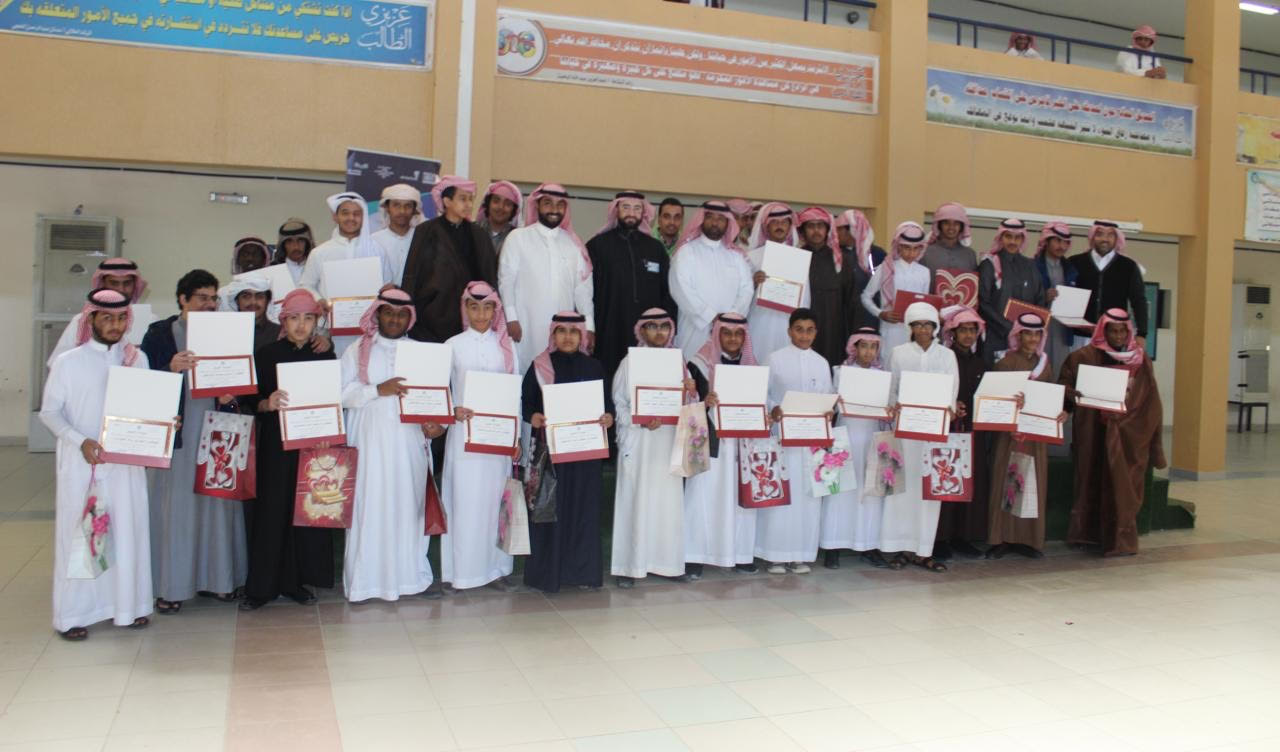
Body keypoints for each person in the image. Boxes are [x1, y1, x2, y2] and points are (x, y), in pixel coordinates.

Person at [40, 289, 154, 640]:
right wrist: (80, 441)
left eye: (121, 318)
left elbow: (148, 409)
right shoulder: (68, 362)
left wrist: (164, 425)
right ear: (91, 319)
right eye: (107, 318)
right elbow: (49, 413)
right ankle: (74, 615)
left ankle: (128, 608)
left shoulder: (137, 359)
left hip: (127, 467)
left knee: (128, 532)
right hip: (81, 465)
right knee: (81, 538)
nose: (115, 325)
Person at [141, 269, 248, 614]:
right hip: (178, 435)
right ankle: (170, 587)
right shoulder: (160, 334)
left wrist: (233, 395)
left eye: (213, 298)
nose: (209, 304)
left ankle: (219, 582)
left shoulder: (228, 332)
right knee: (176, 512)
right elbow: (141, 382)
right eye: (201, 297)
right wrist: (169, 367)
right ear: (182, 299)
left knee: (218, 508)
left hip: (219, 434)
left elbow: (242, 383)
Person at [339, 289, 444, 601]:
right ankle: (365, 584)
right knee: (367, 507)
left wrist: (435, 424)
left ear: (409, 318)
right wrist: (376, 390)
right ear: (377, 314)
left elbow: (434, 399)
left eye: (401, 314)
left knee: (407, 507)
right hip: (367, 443)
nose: (394, 319)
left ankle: (410, 579)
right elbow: (341, 393)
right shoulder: (356, 350)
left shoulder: (423, 353)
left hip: (410, 444)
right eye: (388, 313)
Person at [241, 289, 336, 610]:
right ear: (284, 320)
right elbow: (247, 397)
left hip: (311, 449)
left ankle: (295, 583)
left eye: (308, 318)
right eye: (294, 318)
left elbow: (331, 400)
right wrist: (265, 403)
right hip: (275, 448)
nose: (300, 325)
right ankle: (261, 587)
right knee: (271, 514)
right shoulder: (267, 354)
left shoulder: (324, 354)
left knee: (303, 515)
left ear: (316, 321)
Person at [1059, 309, 1165, 556]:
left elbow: (1151, 403)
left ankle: (1119, 540)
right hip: (1092, 432)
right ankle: (1085, 535)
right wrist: (1069, 395)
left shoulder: (1141, 360)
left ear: (1129, 332)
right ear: (1103, 331)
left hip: (1126, 437)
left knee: (1122, 486)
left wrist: (1127, 422)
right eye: (1112, 331)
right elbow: (1064, 384)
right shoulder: (1083, 357)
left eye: (1122, 331)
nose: (1117, 336)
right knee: (1089, 480)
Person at [522, 312, 614, 593]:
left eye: (574, 332)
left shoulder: (595, 366)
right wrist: (533, 416)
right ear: (553, 335)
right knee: (550, 511)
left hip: (585, 455)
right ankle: (546, 576)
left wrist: (607, 419)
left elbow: (606, 406)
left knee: (582, 511)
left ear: (582, 335)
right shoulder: (540, 366)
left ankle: (582, 573)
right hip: (551, 455)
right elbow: (526, 402)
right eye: (561, 331)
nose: (568, 337)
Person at [441, 281, 521, 591]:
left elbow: (515, 395)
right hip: (464, 439)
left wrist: (516, 438)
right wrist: (453, 410)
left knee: (493, 504)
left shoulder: (507, 346)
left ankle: (495, 570)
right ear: (466, 309)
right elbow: (440, 391)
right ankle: (462, 573)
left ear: (495, 310)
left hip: (498, 441)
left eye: (487, 307)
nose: (481, 314)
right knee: (464, 503)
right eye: (474, 307)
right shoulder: (452, 345)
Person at [611, 308, 690, 588]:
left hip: (668, 441)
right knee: (636, 500)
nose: (659, 332)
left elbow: (689, 407)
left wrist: (690, 391)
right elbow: (619, 402)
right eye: (652, 326)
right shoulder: (629, 362)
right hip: (640, 440)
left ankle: (668, 564)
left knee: (667, 504)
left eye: (664, 327)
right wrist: (639, 422)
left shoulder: (679, 363)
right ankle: (629, 567)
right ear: (642, 330)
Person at [882, 302, 958, 573]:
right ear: (910, 328)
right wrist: (895, 408)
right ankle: (899, 548)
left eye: (928, 325)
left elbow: (951, 394)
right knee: (902, 490)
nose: (923, 330)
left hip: (933, 435)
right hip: (905, 434)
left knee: (928, 493)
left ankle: (923, 551)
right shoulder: (898, 353)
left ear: (935, 328)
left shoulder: (947, 356)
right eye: (918, 325)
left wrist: (943, 415)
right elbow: (891, 390)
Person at [756, 308, 833, 575]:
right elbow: (762, 394)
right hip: (782, 438)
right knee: (783, 495)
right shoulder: (774, 359)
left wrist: (828, 411)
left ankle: (801, 554)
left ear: (816, 333)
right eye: (799, 329)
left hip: (811, 442)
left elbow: (827, 396)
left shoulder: (821, 363)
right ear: (789, 331)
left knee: (808, 498)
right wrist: (774, 408)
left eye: (810, 330)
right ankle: (775, 555)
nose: (804, 335)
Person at [684, 313, 760, 576]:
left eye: (738, 334)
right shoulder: (698, 364)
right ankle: (694, 557)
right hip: (711, 444)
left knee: (741, 500)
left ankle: (740, 555)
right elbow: (685, 405)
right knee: (702, 499)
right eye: (727, 333)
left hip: (742, 444)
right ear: (717, 334)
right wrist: (704, 403)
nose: (732, 339)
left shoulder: (752, 366)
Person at [987, 313, 1061, 559]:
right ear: (1018, 336)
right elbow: (995, 400)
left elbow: (1049, 396)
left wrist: (1058, 413)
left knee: (1032, 484)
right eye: (1027, 333)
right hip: (1010, 436)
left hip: (1035, 436)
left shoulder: (1045, 365)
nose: (1032, 338)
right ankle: (1001, 539)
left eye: (1036, 334)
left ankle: (1029, 540)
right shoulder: (1006, 363)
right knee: (1005, 482)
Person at [499, 183, 596, 368]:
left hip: (563, 333)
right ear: (537, 205)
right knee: (525, 374)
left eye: (560, 204)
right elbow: (506, 280)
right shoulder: (518, 238)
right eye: (548, 203)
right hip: (526, 327)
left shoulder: (574, 245)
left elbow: (583, 291)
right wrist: (511, 318)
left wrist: (589, 327)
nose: (554, 209)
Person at [588, 190, 677, 389]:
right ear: (616, 210)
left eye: (637, 208)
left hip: (648, 332)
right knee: (608, 380)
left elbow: (667, 292)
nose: (631, 213)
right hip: (609, 328)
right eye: (626, 207)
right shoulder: (597, 245)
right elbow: (586, 293)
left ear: (643, 213)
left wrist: (668, 327)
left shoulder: (655, 249)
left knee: (643, 381)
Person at [819, 328, 890, 569]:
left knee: (869, 493)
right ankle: (832, 546)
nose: (868, 352)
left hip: (872, 437)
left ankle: (868, 545)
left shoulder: (884, 376)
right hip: (844, 436)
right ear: (854, 348)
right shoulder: (840, 373)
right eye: (864, 346)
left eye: (873, 347)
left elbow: (888, 409)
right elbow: (829, 403)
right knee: (839, 492)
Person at [401, 175, 500, 343]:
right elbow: (412, 275)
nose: (469, 205)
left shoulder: (479, 235)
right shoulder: (425, 231)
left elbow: (489, 277)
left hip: (472, 318)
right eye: (463, 199)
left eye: (470, 199)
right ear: (446, 201)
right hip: (430, 319)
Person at [932, 305, 989, 560]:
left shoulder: (982, 363)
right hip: (948, 430)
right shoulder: (944, 359)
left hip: (973, 432)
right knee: (945, 480)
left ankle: (962, 537)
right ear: (953, 333)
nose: (968, 335)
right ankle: (940, 538)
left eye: (972, 330)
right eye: (963, 330)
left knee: (968, 482)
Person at [669, 200, 754, 359]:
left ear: (727, 223)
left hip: (729, 334)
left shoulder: (736, 256)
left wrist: (728, 320)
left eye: (721, 218)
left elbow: (747, 290)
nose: (715, 222)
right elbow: (681, 289)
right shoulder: (686, 252)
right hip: (695, 329)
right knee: (693, 375)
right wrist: (710, 317)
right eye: (710, 217)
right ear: (702, 220)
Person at [48, 258, 148, 366]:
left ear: (134, 285)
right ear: (102, 284)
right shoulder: (81, 320)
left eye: (127, 283)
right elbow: (57, 364)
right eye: (114, 283)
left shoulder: (150, 320)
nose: (121, 289)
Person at [1067, 220, 1148, 347]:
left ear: (1116, 239)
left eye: (1110, 235)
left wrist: (1142, 334)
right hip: (1079, 338)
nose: (1105, 239)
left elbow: (1139, 301)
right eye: (1100, 234)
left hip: (1113, 339)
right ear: (1093, 237)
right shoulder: (1075, 262)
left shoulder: (1128, 266)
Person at [978, 218, 1045, 362]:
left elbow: (1040, 299)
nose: (1013, 242)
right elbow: (983, 303)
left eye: (1017, 237)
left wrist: (1026, 329)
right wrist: (1009, 327)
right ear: (1001, 237)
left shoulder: (1030, 266)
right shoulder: (989, 264)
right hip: (996, 335)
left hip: (1025, 339)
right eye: (1008, 236)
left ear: (1023, 239)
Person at [861, 221, 931, 354]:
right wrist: (880, 313)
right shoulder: (886, 268)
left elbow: (923, 303)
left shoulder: (924, 272)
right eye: (907, 248)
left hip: (915, 332)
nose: (911, 253)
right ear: (898, 247)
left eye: (916, 248)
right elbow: (866, 296)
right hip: (890, 329)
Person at [298, 191, 380, 298]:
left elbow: (386, 285)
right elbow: (306, 285)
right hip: (329, 314)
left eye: (356, 214)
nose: (351, 218)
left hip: (369, 314)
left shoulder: (377, 250)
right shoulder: (319, 253)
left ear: (363, 217)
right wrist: (319, 301)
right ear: (335, 217)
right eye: (345, 213)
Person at [1034, 221, 1078, 376]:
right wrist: (1043, 297)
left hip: (1062, 329)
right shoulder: (1032, 266)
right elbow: (1024, 300)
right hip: (1038, 328)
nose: (1062, 246)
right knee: (1038, 371)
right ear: (1046, 241)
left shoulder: (1071, 269)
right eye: (1058, 241)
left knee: (1059, 373)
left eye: (1066, 242)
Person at [836, 209, 886, 331]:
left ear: (852, 230)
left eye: (839, 229)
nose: (835, 233)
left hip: (870, 316)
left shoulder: (877, 254)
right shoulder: (835, 254)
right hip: (842, 316)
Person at [372, 183, 425, 287]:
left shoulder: (423, 239)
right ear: (387, 208)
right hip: (383, 301)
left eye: (408, 206)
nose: (402, 211)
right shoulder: (374, 241)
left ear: (415, 210)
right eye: (396, 205)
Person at [922, 202, 977, 293]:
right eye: (946, 223)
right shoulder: (926, 253)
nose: (951, 227)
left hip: (961, 306)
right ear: (939, 225)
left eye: (956, 223)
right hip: (931, 306)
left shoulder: (970, 255)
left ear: (961, 227)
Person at [217, 275, 278, 349]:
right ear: (236, 301)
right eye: (246, 296)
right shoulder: (224, 333)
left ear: (267, 301)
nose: (253, 302)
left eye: (259, 296)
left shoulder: (280, 333)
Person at [478, 180, 523, 256]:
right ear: (488, 204)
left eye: (507, 204)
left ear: (514, 210)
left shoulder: (517, 238)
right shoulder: (472, 231)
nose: (500, 207)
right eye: (496, 201)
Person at [272, 218, 315, 285]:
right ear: (283, 245)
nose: (296, 247)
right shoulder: (272, 270)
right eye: (289, 241)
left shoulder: (317, 267)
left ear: (307, 243)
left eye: (300, 240)